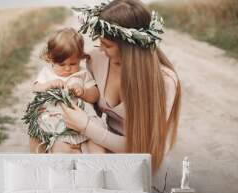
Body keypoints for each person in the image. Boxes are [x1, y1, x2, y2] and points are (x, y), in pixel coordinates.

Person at [55, 0, 182, 172]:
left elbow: (144, 150)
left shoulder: (164, 81)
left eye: (107, 45)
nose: (100, 49)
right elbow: (87, 107)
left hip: (140, 164)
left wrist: (86, 126)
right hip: (101, 149)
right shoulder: (97, 60)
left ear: (129, 47)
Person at [30, 27, 105, 154]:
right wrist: (48, 85)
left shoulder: (83, 73)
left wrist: (84, 92)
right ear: (51, 58)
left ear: (80, 58)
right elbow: (36, 88)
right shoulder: (47, 74)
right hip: (58, 124)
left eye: (73, 63)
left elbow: (95, 95)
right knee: (59, 151)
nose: (67, 69)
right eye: (62, 64)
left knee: (98, 148)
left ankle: (98, 169)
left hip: (84, 122)